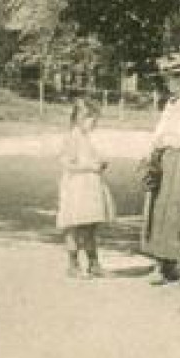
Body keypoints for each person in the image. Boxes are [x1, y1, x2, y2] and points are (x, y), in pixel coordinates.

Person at [138, 50, 180, 284]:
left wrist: (168, 139)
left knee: (177, 208)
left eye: (174, 78)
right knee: (160, 209)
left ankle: (174, 263)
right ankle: (159, 262)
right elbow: (160, 130)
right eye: (167, 78)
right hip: (167, 159)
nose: (170, 83)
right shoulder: (171, 103)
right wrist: (155, 147)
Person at [56, 98, 116, 278]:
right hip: (77, 188)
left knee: (90, 226)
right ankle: (73, 265)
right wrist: (91, 167)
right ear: (80, 118)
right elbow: (67, 164)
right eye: (92, 120)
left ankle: (93, 263)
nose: (95, 124)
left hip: (89, 188)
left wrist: (99, 163)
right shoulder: (73, 137)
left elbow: (89, 157)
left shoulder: (85, 138)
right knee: (74, 225)